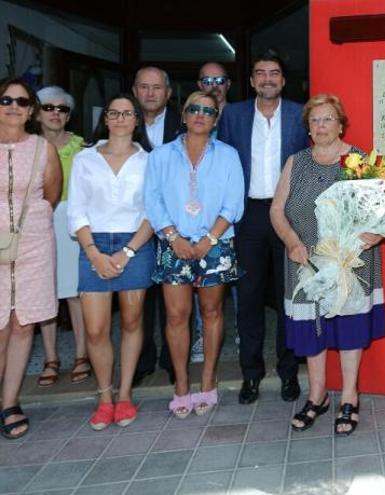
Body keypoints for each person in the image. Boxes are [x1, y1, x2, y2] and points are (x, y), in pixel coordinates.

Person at [271, 94, 385, 436]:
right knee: (311, 332)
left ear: (340, 124)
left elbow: (380, 212)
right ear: (308, 127)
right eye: (315, 120)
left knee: (349, 329)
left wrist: (373, 235)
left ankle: (350, 396)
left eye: (327, 119)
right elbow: (276, 210)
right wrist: (292, 242)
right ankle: (317, 395)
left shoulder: (359, 161)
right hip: (306, 262)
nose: (321, 126)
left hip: (351, 262)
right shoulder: (296, 162)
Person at [144, 90, 244, 418]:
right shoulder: (160, 155)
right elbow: (153, 200)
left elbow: (234, 202)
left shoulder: (228, 154)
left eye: (208, 111)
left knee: (213, 311)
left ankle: (208, 381)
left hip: (215, 243)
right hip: (173, 243)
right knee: (176, 315)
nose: (201, 114)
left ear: (216, 120)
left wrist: (209, 239)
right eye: (194, 109)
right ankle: (182, 386)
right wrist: (172, 237)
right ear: (183, 115)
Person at [217, 49, 308, 404]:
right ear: (252, 80)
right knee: (249, 297)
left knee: (288, 295)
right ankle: (250, 374)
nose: (267, 78)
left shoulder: (301, 115)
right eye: (260, 73)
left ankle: (289, 372)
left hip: (288, 214)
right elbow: (224, 164)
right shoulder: (234, 115)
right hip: (249, 216)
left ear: (283, 80)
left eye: (274, 73)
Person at [68, 94, 154, 430]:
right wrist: (93, 253)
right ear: (105, 118)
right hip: (94, 244)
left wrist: (127, 252)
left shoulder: (149, 161)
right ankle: (104, 397)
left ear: (137, 120)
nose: (120, 118)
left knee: (132, 322)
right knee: (95, 328)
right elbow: (76, 210)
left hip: (136, 245)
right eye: (113, 112)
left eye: (127, 113)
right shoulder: (85, 159)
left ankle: (125, 395)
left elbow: (152, 212)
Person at [0, 78, 62, 439]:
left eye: (22, 102)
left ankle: (10, 402)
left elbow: (51, 196)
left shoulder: (42, 149)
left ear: (32, 111)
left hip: (33, 243)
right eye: (6, 100)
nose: (13, 107)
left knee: (23, 324)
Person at [34, 85, 90, 387]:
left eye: (62, 109)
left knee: (75, 290)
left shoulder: (84, 147)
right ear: (37, 113)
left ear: (69, 116)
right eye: (48, 107)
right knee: (45, 292)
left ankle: (82, 355)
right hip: (38, 221)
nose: (56, 113)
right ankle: (51, 358)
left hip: (73, 221)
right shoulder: (29, 145)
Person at [132, 66, 181, 386]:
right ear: (135, 90)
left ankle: (172, 360)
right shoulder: (122, 120)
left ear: (168, 92)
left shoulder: (184, 123)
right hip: (132, 223)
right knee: (138, 299)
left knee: (173, 300)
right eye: (144, 87)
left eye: (157, 87)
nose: (150, 93)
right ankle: (142, 359)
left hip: (173, 223)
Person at [190, 62, 234, 364]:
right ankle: (199, 337)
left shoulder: (240, 115)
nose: (213, 84)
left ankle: (241, 332)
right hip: (191, 221)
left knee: (237, 282)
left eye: (219, 79)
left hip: (230, 218)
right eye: (207, 79)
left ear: (228, 84)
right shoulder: (189, 123)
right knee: (195, 286)